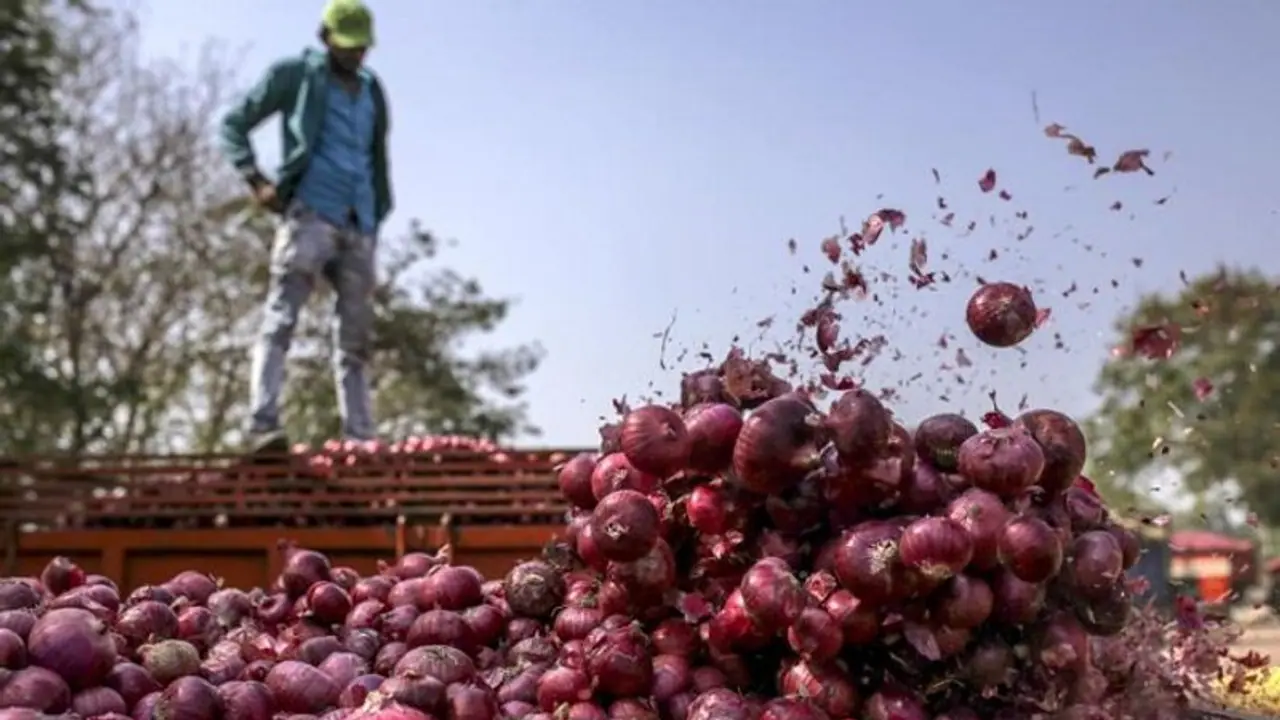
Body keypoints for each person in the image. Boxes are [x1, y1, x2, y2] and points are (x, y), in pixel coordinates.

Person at [219, 0, 393, 453]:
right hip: (311, 212)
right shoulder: (296, 75)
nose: (357, 55)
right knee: (281, 318)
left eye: (362, 48)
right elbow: (233, 124)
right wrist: (255, 178)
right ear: (326, 37)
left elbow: (375, 157)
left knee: (355, 340)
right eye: (348, 46)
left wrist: (378, 213)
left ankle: (360, 439)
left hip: (361, 221)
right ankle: (263, 425)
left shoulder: (373, 90)